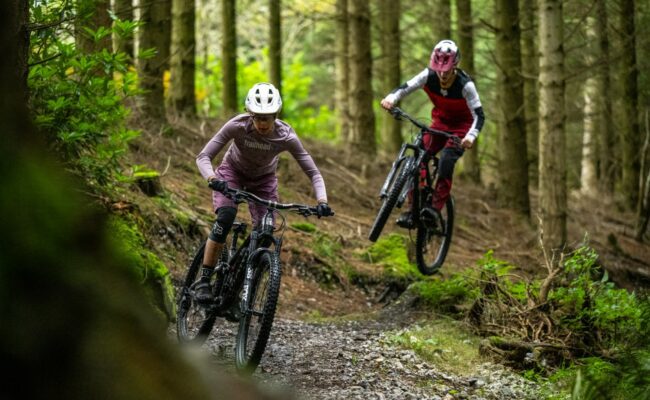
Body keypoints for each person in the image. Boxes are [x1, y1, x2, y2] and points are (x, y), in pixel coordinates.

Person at [195, 82, 331, 305]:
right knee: (226, 217)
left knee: (265, 234)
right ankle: (204, 279)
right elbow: (203, 157)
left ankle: (240, 290)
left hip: (264, 181)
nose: (262, 123)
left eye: (267, 117)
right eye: (257, 117)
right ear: (250, 114)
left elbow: (314, 172)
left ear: (276, 115)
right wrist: (213, 179)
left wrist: (322, 200)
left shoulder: (286, 136)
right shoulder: (237, 126)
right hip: (232, 174)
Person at [380, 39, 485, 228]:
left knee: (446, 159)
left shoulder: (465, 85)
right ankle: (412, 209)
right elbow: (406, 87)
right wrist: (391, 98)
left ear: (455, 66)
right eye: (439, 70)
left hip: (461, 129)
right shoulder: (428, 76)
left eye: (446, 71)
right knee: (419, 156)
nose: (442, 75)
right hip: (439, 124)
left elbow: (479, 116)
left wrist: (470, 137)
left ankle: (434, 210)